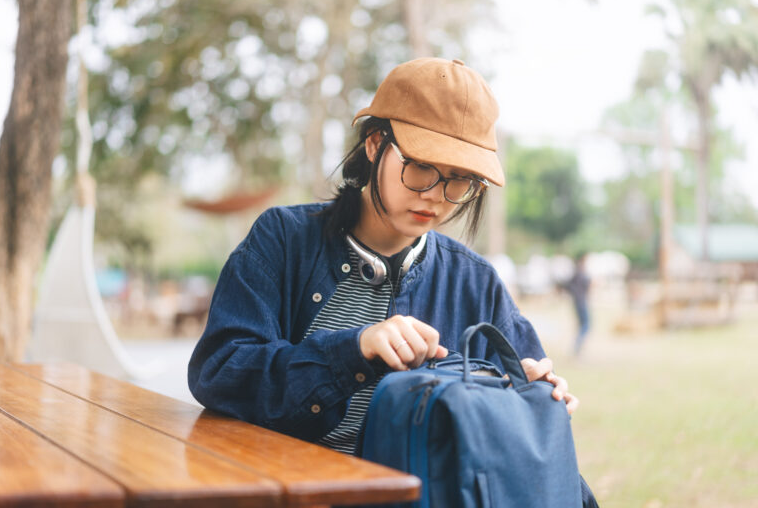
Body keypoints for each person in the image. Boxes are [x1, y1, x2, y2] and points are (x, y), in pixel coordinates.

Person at [187, 58, 578, 455]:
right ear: (374, 143)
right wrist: (354, 349)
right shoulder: (283, 240)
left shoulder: (473, 281)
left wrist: (531, 392)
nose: (435, 194)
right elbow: (220, 372)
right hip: (291, 488)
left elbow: (510, 422)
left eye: (460, 178)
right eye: (421, 166)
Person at [564, 253, 591, 356]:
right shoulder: (581, 273)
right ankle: (577, 348)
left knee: (582, 325)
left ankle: (578, 348)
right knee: (585, 325)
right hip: (581, 301)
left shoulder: (577, 272)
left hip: (578, 301)